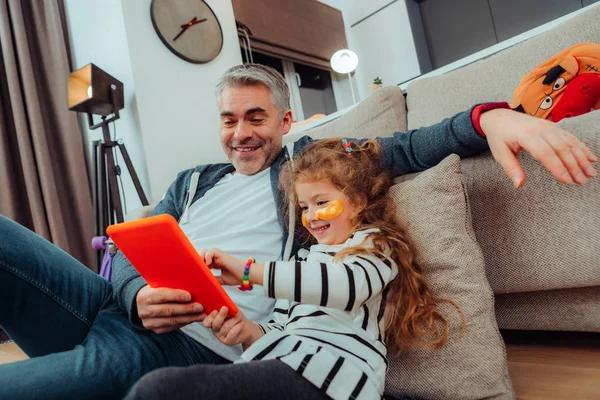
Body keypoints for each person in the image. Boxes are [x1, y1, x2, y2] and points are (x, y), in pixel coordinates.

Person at [0, 63, 596, 399]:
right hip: (117, 309)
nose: (241, 133)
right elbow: (133, 247)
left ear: (284, 120)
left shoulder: (312, 167)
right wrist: (132, 294)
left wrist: (492, 116)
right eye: (229, 120)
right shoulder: (191, 181)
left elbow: (410, 145)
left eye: (256, 117)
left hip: (174, 344)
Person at [125, 138, 462, 400]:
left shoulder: (374, 246)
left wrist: (249, 272)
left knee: (158, 389)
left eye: (322, 203)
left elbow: (343, 288)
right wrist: (247, 331)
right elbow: (281, 329)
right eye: (304, 207)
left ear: (358, 201)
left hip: (335, 380)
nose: (312, 216)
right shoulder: (304, 261)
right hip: (289, 363)